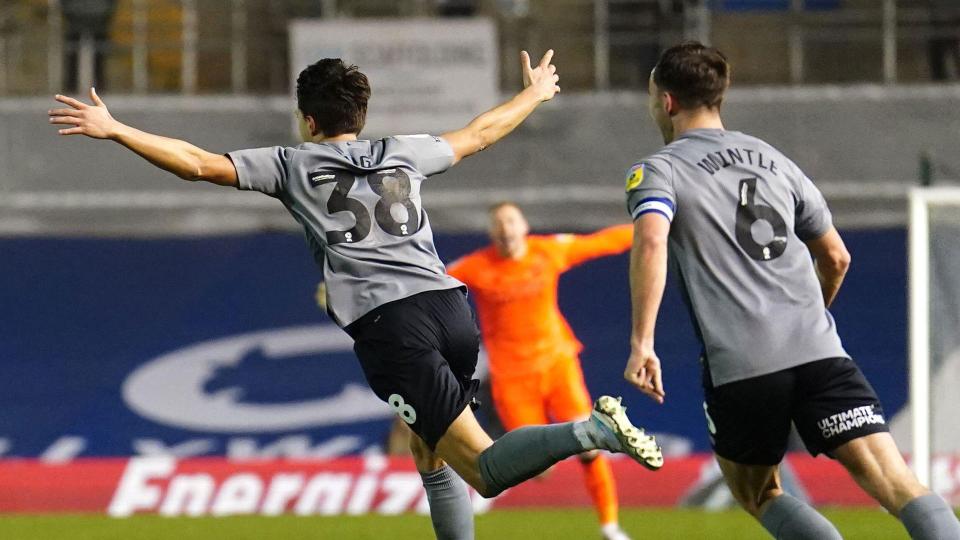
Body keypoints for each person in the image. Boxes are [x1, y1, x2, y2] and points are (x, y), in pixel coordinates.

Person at [49, 50, 663, 540]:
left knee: (484, 468)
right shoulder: (404, 151)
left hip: (392, 326)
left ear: (308, 120)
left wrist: (116, 128)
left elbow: (197, 163)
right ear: (361, 114)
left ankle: (589, 432)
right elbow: (481, 133)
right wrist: (534, 93)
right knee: (430, 452)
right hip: (451, 310)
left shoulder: (293, 163)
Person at [623, 41, 960, 540]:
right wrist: (806, 319)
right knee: (898, 484)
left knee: (758, 493)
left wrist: (642, 342)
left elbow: (652, 240)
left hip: (743, 365)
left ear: (667, 102)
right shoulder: (773, 159)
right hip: (820, 353)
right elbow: (837, 257)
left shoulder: (660, 169)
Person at [447, 202, 635, 540]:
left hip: (557, 366)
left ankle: (610, 526)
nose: (505, 228)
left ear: (524, 226)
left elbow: (601, 242)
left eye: (510, 221)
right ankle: (485, 489)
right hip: (512, 379)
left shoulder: (547, 251)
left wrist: (651, 226)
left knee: (591, 446)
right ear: (492, 233)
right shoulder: (476, 267)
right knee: (534, 466)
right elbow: (433, 281)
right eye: (498, 223)